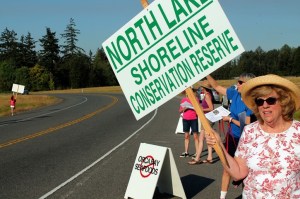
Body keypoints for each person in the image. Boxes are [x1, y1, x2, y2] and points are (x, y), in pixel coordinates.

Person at [206, 74, 300, 198]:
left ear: (283, 102)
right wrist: (219, 146)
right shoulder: (250, 131)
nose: (265, 105)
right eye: (260, 101)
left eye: (271, 100)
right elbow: (239, 173)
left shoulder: (297, 132)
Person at [206, 73, 256, 199]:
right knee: (227, 168)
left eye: (240, 82)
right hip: (232, 136)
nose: (237, 84)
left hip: (246, 139)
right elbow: (216, 86)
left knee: (246, 172)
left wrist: (230, 119)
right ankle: (222, 197)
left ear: (248, 84)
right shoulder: (235, 93)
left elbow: (248, 122)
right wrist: (206, 73)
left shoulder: (252, 101)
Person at [188, 80, 214, 164]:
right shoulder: (208, 95)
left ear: (204, 88)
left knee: (201, 138)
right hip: (207, 118)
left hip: (207, 118)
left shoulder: (207, 95)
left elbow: (211, 108)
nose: (201, 88)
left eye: (202, 86)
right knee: (207, 138)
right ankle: (209, 157)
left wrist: (201, 109)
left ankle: (197, 158)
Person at [179, 88, 199, 158]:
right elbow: (180, 111)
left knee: (195, 136)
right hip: (185, 119)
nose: (188, 94)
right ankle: (186, 152)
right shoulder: (183, 100)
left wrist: (194, 107)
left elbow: (199, 109)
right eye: (187, 92)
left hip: (193, 119)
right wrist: (184, 109)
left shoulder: (196, 99)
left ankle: (197, 152)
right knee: (186, 136)